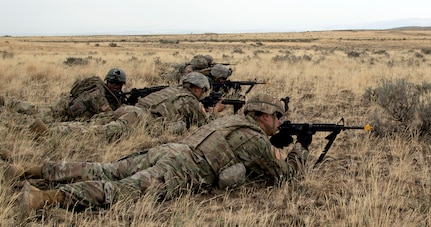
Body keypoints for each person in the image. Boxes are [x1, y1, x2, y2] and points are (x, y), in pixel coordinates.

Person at [5, 93, 310, 216]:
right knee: (121, 191)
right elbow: (283, 176)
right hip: (182, 167)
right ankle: (44, 199)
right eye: (279, 117)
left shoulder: (231, 121)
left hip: (171, 150)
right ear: (266, 116)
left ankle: (28, 170)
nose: (281, 123)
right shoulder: (254, 139)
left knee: (105, 169)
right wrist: (300, 149)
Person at [39, 72, 224, 139]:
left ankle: (55, 128)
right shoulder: (189, 100)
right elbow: (204, 126)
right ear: (194, 88)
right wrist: (214, 112)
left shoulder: (172, 90)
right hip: (139, 118)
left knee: (95, 123)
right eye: (202, 90)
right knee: (101, 131)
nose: (203, 94)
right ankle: (52, 133)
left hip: (130, 110)